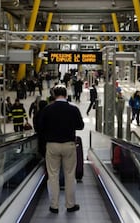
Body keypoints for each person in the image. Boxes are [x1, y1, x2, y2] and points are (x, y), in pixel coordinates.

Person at [38, 84, 84, 214]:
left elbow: (40, 127)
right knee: (70, 175)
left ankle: (54, 206)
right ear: (66, 95)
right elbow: (80, 126)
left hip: (52, 145)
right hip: (69, 145)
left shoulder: (47, 109)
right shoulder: (73, 109)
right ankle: (70, 205)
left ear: (54, 95)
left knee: (53, 175)